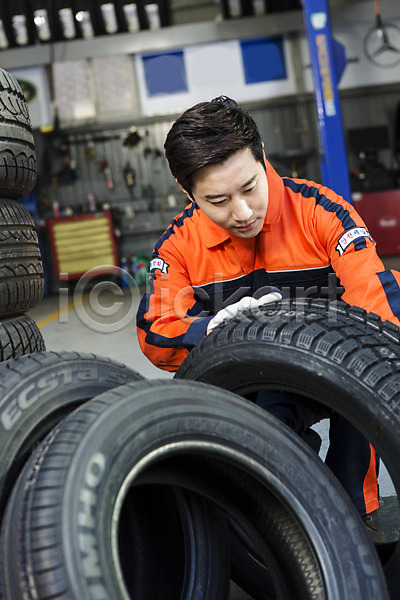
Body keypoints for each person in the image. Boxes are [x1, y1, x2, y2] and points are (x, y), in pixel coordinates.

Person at [136, 95, 400, 542]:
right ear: (188, 193)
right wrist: (210, 330)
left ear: (263, 157)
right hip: (254, 389)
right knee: (269, 464)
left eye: (250, 188)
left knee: (367, 379)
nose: (241, 213)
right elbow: (155, 331)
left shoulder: (320, 211)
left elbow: (378, 302)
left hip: (335, 368)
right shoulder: (179, 245)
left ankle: (358, 513)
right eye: (217, 200)